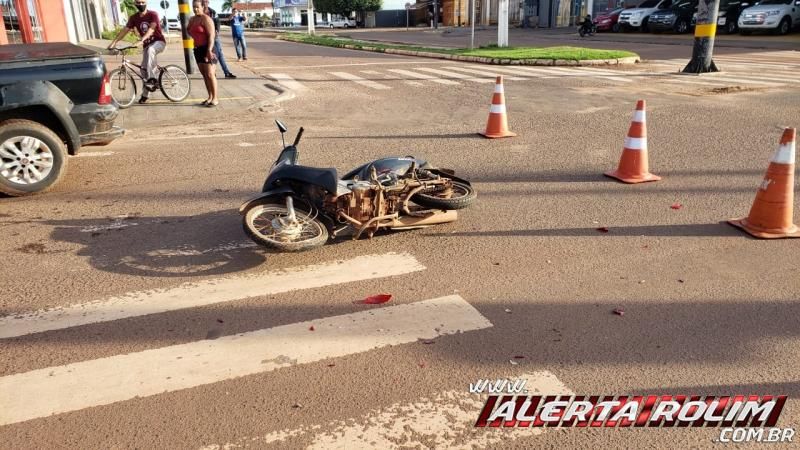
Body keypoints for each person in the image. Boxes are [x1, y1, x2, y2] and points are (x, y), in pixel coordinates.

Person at [108, 0, 167, 104]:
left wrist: (141, 40)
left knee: (150, 51)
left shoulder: (153, 14)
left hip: (159, 42)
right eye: (138, 3)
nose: (140, 4)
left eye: (142, 2)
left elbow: (152, 29)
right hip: (147, 46)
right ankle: (145, 95)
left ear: (146, 2)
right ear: (135, 4)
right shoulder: (133, 18)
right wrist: (114, 43)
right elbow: (125, 30)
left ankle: (152, 80)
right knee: (144, 70)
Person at [188, 0, 218, 106]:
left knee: (210, 74)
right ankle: (209, 97)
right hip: (197, 49)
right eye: (193, 7)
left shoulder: (206, 19)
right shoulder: (192, 20)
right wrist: (197, 38)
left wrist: (209, 50)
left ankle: (215, 98)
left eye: (197, 7)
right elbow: (188, 30)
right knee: (205, 75)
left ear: (202, 6)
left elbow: (211, 36)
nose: (195, 9)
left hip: (208, 49)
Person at [202, 0, 236, 79]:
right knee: (208, 55)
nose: (205, 3)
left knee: (220, 54)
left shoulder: (213, 12)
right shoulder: (200, 13)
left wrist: (217, 30)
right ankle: (212, 73)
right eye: (204, 1)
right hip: (205, 38)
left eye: (207, 1)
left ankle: (226, 72)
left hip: (214, 37)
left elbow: (217, 22)